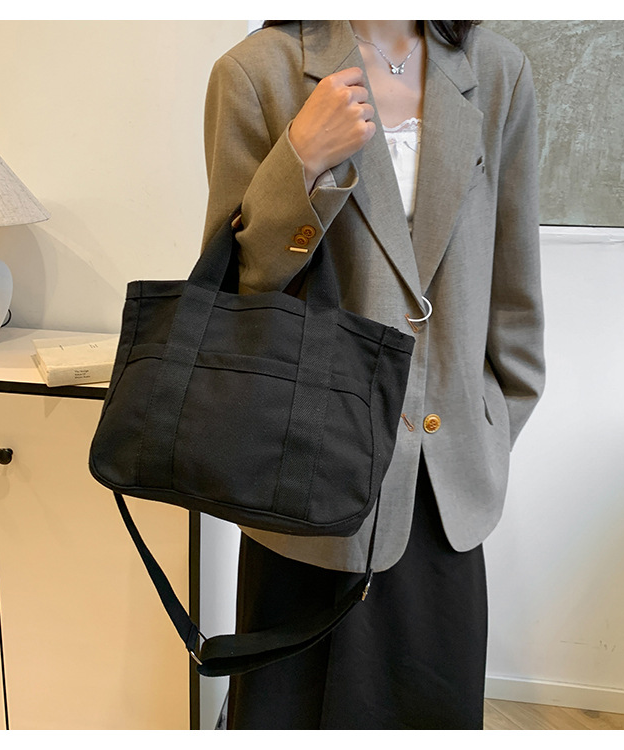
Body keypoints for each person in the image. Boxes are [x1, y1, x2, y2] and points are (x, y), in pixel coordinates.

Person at [201, 20, 545, 730]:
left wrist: (488, 427)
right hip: (303, 479)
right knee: (294, 712)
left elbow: (515, 284)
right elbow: (237, 291)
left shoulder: (498, 71)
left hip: (443, 481)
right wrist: (299, 161)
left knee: (432, 710)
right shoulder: (257, 72)